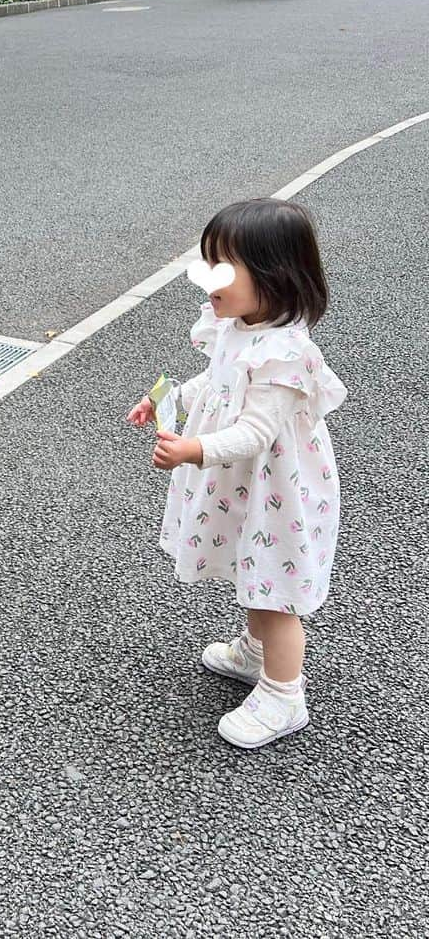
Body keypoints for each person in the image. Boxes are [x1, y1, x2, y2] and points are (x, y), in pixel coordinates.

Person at [127, 200, 347, 749]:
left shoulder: (285, 353)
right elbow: (217, 381)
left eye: (222, 268)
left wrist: (194, 448)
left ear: (274, 275)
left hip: (278, 488)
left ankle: (282, 693)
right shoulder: (237, 326)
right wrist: (169, 398)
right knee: (253, 565)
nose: (208, 281)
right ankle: (255, 653)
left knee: (275, 588)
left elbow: (256, 433)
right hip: (246, 484)